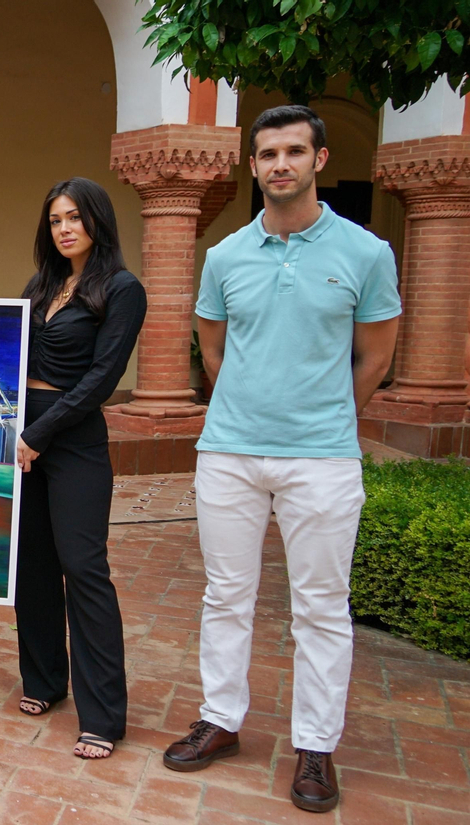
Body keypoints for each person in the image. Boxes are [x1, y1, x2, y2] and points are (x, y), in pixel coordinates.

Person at [162, 105, 400, 815]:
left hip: (322, 458)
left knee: (321, 607)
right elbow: (212, 348)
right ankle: (221, 718)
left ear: (320, 160)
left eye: (294, 151)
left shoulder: (365, 254)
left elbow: (378, 355)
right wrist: (249, 406)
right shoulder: (226, 256)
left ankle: (316, 747)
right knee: (225, 594)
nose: (280, 165)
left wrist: (325, 413)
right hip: (229, 453)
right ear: (254, 165)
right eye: (267, 154)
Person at [9, 177, 146, 761]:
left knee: (84, 568)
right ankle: (44, 680)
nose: (64, 228)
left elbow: (103, 379)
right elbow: (12, 352)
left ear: (97, 221)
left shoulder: (121, 288)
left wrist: (39, 433)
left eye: (74, 217)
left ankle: (104, 715)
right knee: (32, 564)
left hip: (72, 439)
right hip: (24, 436)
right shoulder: (41, 286)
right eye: (55, 219)